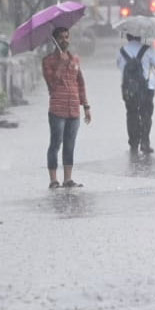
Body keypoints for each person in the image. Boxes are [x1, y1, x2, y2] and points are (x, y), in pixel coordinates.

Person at [42, 26, 91, 188]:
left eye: (67, 37)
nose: (65, 40)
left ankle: (68, 179)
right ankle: (53, 180)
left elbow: (80, 83)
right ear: (55, 40)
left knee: (70, 145)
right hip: (57, 109)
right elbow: (52, 84)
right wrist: (61, 65)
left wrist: (86, 106)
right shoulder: (48, 61)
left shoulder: (75, 59)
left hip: (74, 110)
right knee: (55, 143)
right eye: (61, 37)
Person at [117, 33, 155, 156]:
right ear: (140, 36)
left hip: (129, 89)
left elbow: (120, 66)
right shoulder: (147, 49)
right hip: (147, 87)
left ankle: (133, 143)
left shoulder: (122, 51)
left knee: (131, 114)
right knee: (146, 114)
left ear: (128, 37)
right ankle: (145, 142)